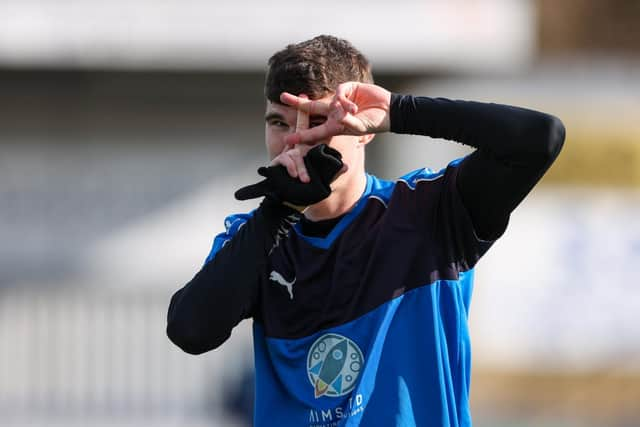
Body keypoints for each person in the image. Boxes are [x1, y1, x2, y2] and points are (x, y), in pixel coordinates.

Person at [166, 35, 565, 427]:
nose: (296, 139)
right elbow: (190, 331)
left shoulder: (430, 211)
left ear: (365, 129)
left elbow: (539, 138)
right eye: (278, 122)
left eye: (318, 120)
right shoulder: (256, 235)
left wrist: (399, 111)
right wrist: (279, 211)